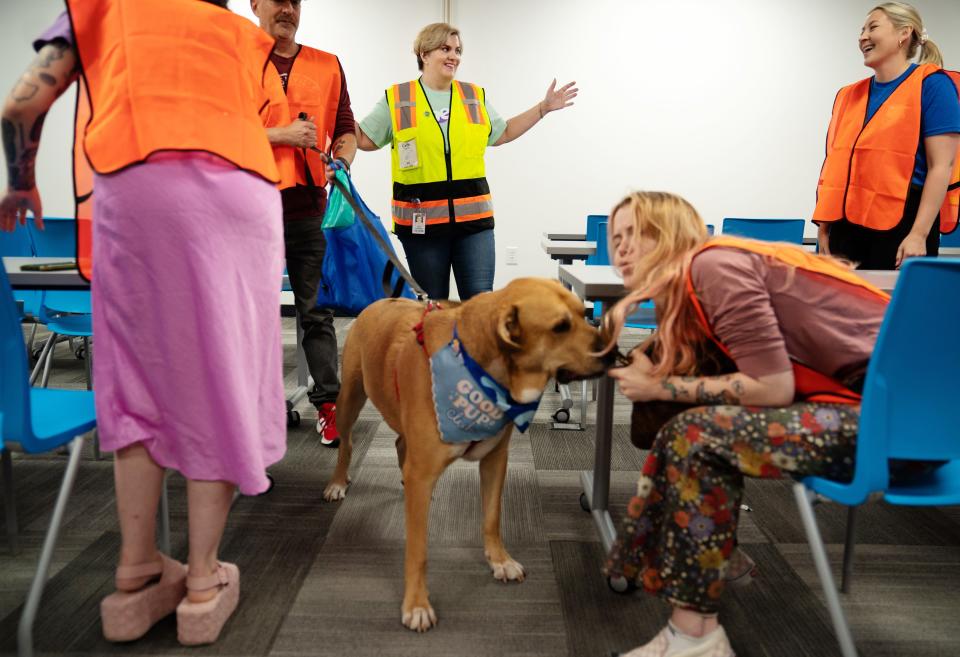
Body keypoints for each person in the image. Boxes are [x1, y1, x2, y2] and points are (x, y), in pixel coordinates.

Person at [1, 0, 285, 645]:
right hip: (243, 198)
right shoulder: (239, 34)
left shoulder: (98, 8)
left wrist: (22, 184)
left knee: (135, 374)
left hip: (137, 186)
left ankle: (134, 574)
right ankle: (202, 583)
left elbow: (19, 107)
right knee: (221, 375)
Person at [601, 191, 889, 657]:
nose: (623, 249)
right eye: (616, 239)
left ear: (673, 231)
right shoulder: (709, 274)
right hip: (885, 411)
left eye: (638, 233)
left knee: (692, 435)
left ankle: (695, 635)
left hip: (884, 421)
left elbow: (772, 387)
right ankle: (708, 588)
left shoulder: (711, 267)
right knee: (691, 425)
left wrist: (662, 389)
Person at [356, 22, 577, 301]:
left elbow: (503, 133)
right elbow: (365, 138)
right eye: (445, 49)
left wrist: (543, 109)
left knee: (480, 303)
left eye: (457, 50)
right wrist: (334, 114)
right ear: (424, 54)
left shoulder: (473, 96)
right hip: (421, 226)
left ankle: (474, 348)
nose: (454, 56)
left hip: (474, 225)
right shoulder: (399, 98)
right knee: (433, 308)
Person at [251, 0, 357, 448]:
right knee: (253, 315)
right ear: (256, 4)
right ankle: (255, 408)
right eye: (278, 0)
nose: (288, 9)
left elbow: (346, 128)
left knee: (315, 311)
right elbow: (214, 130)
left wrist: (343, 163)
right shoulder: (237, 60)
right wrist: (279, 135)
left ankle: (328, 405)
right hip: (250, 207)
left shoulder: (327, 64)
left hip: (309, 207)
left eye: (295, 2)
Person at [814, 2, 960, 270]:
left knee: (895, 310)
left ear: (904, 33)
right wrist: (825, 226)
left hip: (902, 227)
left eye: (873, 27)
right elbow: (835, 166)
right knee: (844, 310)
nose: (862, 37)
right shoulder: (848, 95)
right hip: (844, 231)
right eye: (861, 30)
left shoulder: (933, 85)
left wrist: (919, 234)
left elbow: (942, 166)